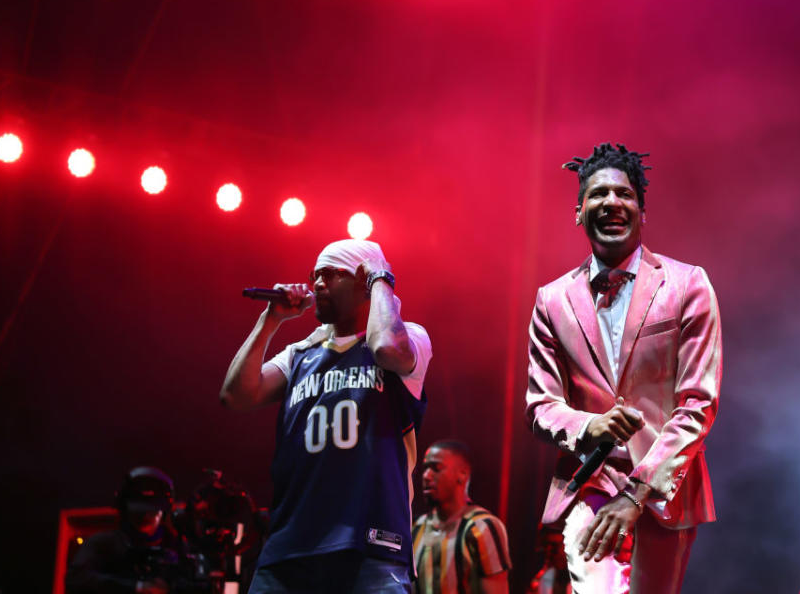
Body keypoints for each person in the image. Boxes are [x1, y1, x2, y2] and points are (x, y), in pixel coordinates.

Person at [525, 143, 722, 594]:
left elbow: (698, 403)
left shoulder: (688, 284)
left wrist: (636, 494)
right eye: (597, 194)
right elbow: (540, 406)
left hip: (665, 484)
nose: (611, 202)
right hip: (588, 479)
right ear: (579, 211)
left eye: (624, 194)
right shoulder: (551, 300)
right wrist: (591, 424)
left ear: (641, 211)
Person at [220, 239, 433, 593]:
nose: (317, 283)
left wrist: (381, 280)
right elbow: (236, 395)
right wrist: (270, 320)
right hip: (290, 549)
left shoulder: (409, 338)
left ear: (363, 282)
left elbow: (387, 350)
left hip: (371, 548)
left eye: (331, 274)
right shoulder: (300, 354)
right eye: (314, 275)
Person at [66, 466, 194, 594]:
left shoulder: (177, 546)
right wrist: (136, 588)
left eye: (152, 510)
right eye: (140, 511)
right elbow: (76, 579)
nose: (146, 516)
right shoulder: (104, 544)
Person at [411, 440, 511, 594]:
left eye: (436, 468)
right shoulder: (415, 527)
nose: (426, 475)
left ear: (462, 474)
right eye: (425, 468)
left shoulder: (482, 527)